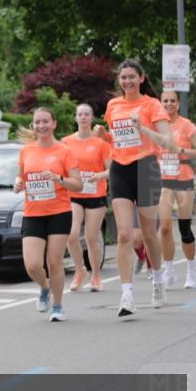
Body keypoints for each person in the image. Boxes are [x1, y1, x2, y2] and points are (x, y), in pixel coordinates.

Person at [94, 59, 177, 317]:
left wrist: (142, 129)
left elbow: (169, 142)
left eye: (131, 76)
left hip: (146, 168)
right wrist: (103, 136)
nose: (127, 81)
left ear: (141, 78)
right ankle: (127, 295)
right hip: (120, 169)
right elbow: (116, 139)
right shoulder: (113, 106)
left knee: (149, 234)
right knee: (124, 235)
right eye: (123, 77)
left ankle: (158, 279)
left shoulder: (152, 105)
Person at [14, 107, 83, 322]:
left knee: (54, 262)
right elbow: (21, 178)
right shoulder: (26, 151)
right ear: (33, 126)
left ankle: (58, 306)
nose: (41, 126)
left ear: (53, 124)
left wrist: (58, 179)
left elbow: (78, 185)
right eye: (37, 122)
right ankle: (44, 288)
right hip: (33, 212)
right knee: (32, 265)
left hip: (59, 212)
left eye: (45, 121)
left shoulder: (65, 151)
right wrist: (18, 184)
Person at [156, 89, 196, 289]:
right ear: (160, 103)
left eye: (172, 101)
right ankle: (169, 271)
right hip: (164, 180)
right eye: (165, 101)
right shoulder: (156, 126)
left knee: (185, 228)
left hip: (184, 179)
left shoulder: (187, 125)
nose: (168, 104)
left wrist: (181, 150)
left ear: (177, 104)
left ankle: (191, 270)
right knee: (165, 227)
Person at [62, 103, 112, 292]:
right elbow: (61, 166)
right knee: (72, 235)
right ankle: (80, 270)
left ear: (91, 118)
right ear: (76, 118)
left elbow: (111, 169)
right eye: (80, 114)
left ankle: (96, 276)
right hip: (73, 194)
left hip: (95, 194)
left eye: (86, 114)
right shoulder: (66, 142)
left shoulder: (101, 144)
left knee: (91, 237)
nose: (83, 117)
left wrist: (99, 176)